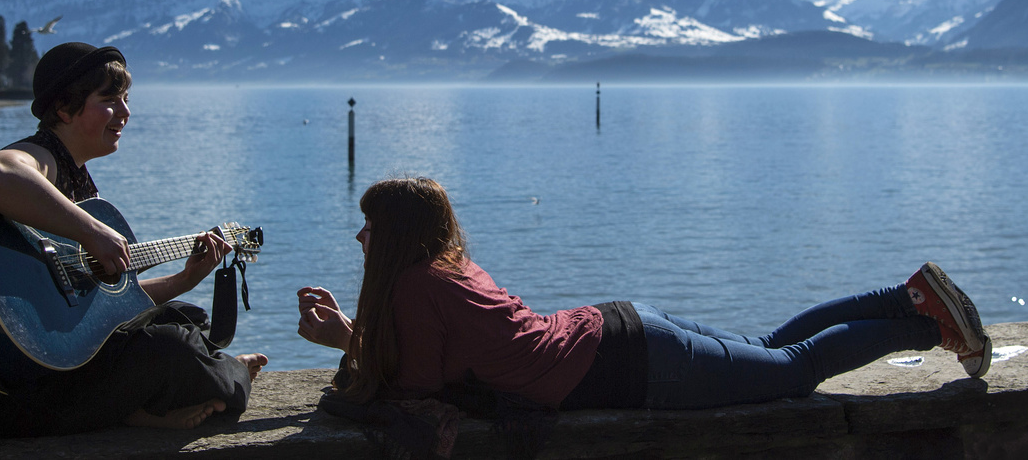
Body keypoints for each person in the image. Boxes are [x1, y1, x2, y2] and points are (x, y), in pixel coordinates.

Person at [297, 177, 990, 417]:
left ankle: (929, 326)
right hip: (618, 330)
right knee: (779, 349)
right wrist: (357, 333)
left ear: (396, 237)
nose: (361, 235)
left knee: (796, 371)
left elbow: (415, 386)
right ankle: (907, 296)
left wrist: (346, 342)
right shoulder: (445, 268)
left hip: (628, 366)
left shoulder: (415, 287)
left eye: (370, 225)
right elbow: (443, 354)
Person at [0, 42, 269, 443]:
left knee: (185, 317)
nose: (125, 112)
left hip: (41, 376)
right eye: (109, 100)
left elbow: (103, 313)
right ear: (64, 108)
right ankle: (230, 374)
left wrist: (183, 279)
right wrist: (93, 231)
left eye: (125, 99)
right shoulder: (44, 156)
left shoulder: (77, 182)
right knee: (172, 349)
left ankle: (144, 407)